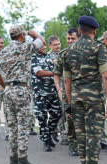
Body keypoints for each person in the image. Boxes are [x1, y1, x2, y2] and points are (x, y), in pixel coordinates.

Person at [63, 15, 107, 164]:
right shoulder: (98, 48)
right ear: (94, 31)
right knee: (93, 137)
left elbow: (67, 81)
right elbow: (106, 76)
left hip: (76, 99)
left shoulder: (68, 51)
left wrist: (70, 102)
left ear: (78, 31)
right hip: (93, 100)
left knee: (82, 138)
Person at [0, 25, 45, 164]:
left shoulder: (2, 52)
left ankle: (12, 161)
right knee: (23, 126)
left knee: (12, 127)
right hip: (22, 89)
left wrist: (7, 86)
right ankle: (22, 160)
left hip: (8, 90)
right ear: (22, 35)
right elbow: (42, 42)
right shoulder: (25, 47)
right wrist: (34, 34)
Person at [54, 27, 80, 156]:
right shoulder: (63, 54)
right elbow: (56, 74)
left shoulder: (85, 53)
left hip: (82, 92)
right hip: (68, 92)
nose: (70, 41)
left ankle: (83, 144)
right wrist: (59, 89)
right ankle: (73, 145)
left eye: (72, 38)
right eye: (68, 39)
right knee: (70, 119)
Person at [31, 44, 62, 152]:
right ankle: (46, 141)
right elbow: (39, 73)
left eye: (44, 45)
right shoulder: (33, 57)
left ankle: (48, 134)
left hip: (53, 92)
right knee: (42, 117)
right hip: (40, 93)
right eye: (41, 46)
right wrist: (55, 73)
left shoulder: (49, 57)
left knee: (57, 113)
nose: (44, 47)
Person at [46, 35, 68, 145]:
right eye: (55, 45)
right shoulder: (47, 57)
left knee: (63, 111)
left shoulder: (64, 54)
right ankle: (58, 133)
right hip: (52, 88)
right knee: (56, 112)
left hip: (64, 87)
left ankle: (62, 134)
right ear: (50, 45)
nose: (58, 46)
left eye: (59, 44)